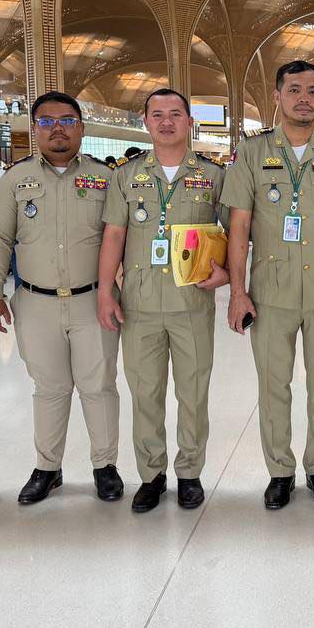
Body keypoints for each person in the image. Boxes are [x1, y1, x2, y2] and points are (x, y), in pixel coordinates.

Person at [222, 60, 314, 510]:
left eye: (313, 91)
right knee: (273, 386)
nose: (304, 98)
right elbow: (238, 226)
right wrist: (238, 292)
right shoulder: (252, 153)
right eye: (294, 90)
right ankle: (280, 472)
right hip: (270, 291)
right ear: (277, 96)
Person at [0, 91, 126, 505]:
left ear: (81, 128)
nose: (57, 129)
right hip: (36, 302)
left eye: (67, 121)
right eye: (46, 122)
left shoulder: (106, 178)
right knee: (49, 387)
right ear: (34, 129)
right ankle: (47, 467)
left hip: (94, 300)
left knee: (99, 386)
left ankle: (105, 466)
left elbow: (123, 238)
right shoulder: (16, 179)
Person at [98, 89, 230, 512]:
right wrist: (105, 291)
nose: (167, 121)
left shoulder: (213, 175)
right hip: (139, 305)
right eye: (157, 114)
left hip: (192, 303)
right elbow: (114, 235)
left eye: (175, 114)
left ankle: (189, 473)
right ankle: (151, 475)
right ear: (146, 122)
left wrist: (228, 272)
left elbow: (236, 230)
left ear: (190, 122)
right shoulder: (126, 175)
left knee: (193, 393)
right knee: (145, 394)